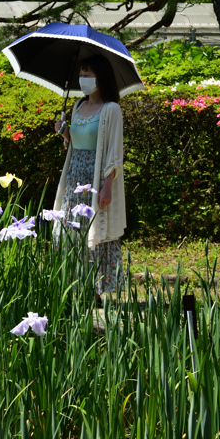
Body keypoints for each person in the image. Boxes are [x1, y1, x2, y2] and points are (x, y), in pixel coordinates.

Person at [52, 55, 127, 294]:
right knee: (71, 227)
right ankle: (74, 287)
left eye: (88, 75)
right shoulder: (77, 106)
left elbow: (114, 152)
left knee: (93, 229)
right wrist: (65, 133)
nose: (83, 79)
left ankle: (95, 289)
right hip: (74, 174)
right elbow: (75, 142)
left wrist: (107, 186)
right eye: (81, 75)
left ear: (100, 77)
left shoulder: (111, 109)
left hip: (95, 178)